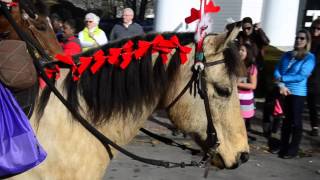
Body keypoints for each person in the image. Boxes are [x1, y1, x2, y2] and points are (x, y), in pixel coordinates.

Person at [274, 29, 315, 159]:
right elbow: (277, 69)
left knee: (296, 122)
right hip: (283, 90)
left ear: (307, 41)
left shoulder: (310, 57)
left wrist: (283, 79)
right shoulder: (287, 54)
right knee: (286, 121)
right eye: (297, 37)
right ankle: (283, 145)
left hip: (298, 93)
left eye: (302, 38)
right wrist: (281, 84)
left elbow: (302, 75)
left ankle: (293, 149)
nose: (298, 40)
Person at [237, 43, 258, 142]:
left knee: (241, 123)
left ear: (248, 53)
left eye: (243, 50)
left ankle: (241, 142)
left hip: (244, 100)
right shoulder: (235, 65)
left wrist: (236, 84)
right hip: (234, 98)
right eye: (239, 50)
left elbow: (253, 85)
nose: (240, 52)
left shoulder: (251, 68)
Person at [307, 18, 320, 136]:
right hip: (303, 76)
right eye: (313, 28)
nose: (315, 30)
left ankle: (314, 126)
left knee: (312, 104)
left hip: (315, 78)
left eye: (318, 28)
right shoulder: (307, 40)